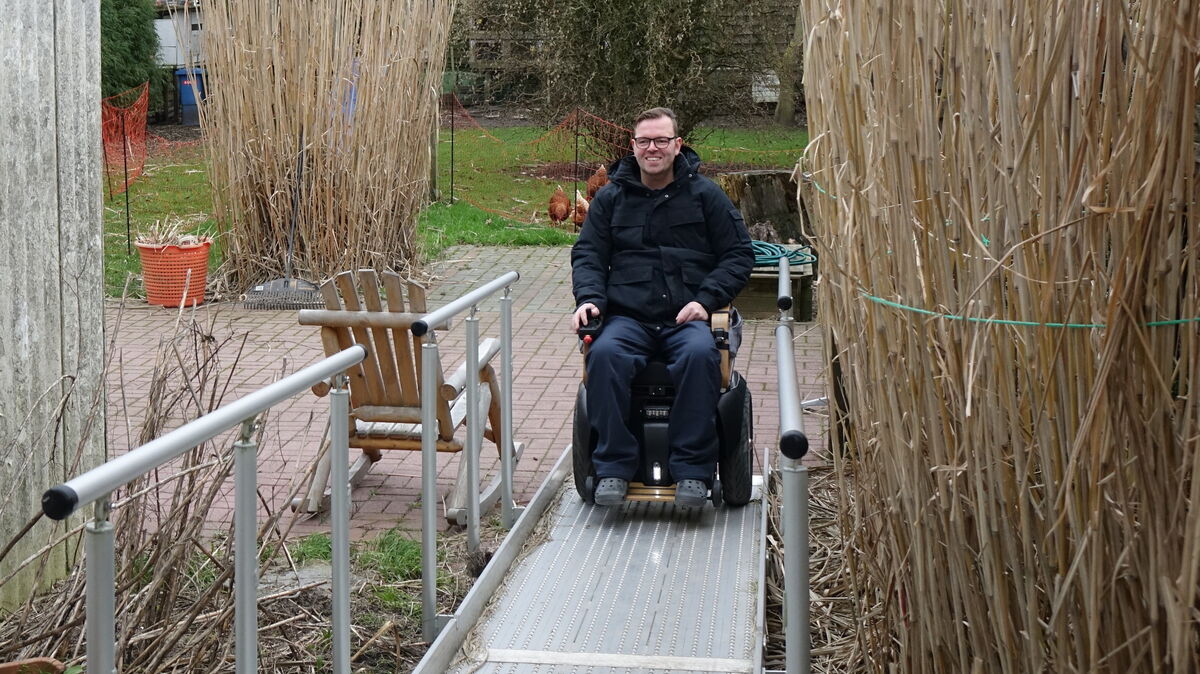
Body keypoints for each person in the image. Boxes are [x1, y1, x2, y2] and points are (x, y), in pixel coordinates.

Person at [570, 107, 754, 507]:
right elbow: (588, 255)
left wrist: (706, 302)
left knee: (701, 354)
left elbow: (739, 254)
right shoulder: (611, 200)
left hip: (685, 319)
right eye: (644, 141)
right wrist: (588, 299)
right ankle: (613, 469)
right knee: (603, 354)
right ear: (632, 146)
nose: (652, 148)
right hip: (626, 318)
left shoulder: (706, 196)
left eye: (661, 140)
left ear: (677, 145)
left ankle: (692, 471)